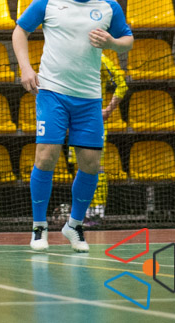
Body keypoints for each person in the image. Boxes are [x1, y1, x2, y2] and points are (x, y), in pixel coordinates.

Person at [12, 0, 133, 252]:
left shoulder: (108, 6)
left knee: (91, 164)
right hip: (52, 92)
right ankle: (39, 227)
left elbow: (128, 40)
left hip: (89, 98)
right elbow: (20, 31)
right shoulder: (48, 1)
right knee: (46, 157)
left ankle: (74, 225)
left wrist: (112, 42)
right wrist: (26, 68)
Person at [67, 52, 128, 225]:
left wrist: (108, 110)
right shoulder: (68, 58)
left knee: (95, 166)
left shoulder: (101, 60)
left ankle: (98, 212)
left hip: (94, 122)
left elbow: (122, 85)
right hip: (75, 121)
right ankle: (83, 212)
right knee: (79, 167)